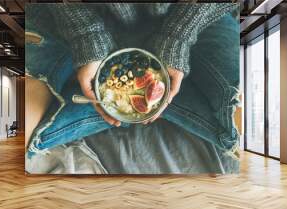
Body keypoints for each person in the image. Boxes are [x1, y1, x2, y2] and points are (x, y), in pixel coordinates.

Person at [25, 3, 241, 174]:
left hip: (198, 18)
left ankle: (135, 105)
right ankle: (149, 103)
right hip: (69, 19)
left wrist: (179, 35)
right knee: (23, 135)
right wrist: (84, 33)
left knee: (239, 115)